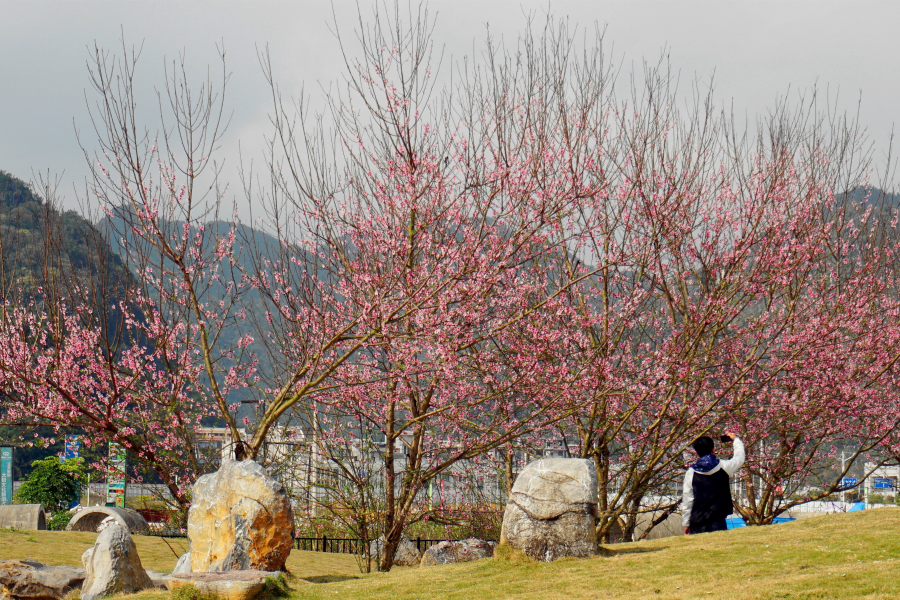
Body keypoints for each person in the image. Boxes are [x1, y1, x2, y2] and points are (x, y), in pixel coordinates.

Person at [681, 432, 745, 534]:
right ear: (713, 450)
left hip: (697, 520)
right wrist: (736, 440)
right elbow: (739, 458)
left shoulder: (691, 472)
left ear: (697, 452)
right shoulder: (724, 466)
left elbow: (688, 499)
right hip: (718, 519)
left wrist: (686, 523)